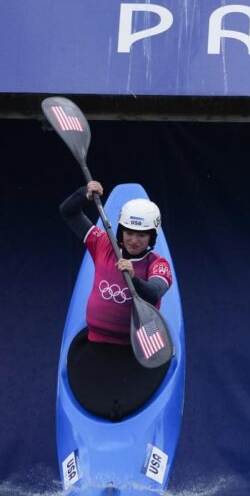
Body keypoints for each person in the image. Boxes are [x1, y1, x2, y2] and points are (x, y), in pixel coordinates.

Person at [60, 180, 173, 419]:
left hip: (135, 351)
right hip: (95, 345)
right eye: (129, 233)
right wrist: (84, 194)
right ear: (120, 231)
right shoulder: (102, 244)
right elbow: (68, 212)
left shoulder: (158, 264)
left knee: (122, 405)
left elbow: (154, 293)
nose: (134, 240)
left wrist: (133, 277)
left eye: (142, 235)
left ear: (152, 236)